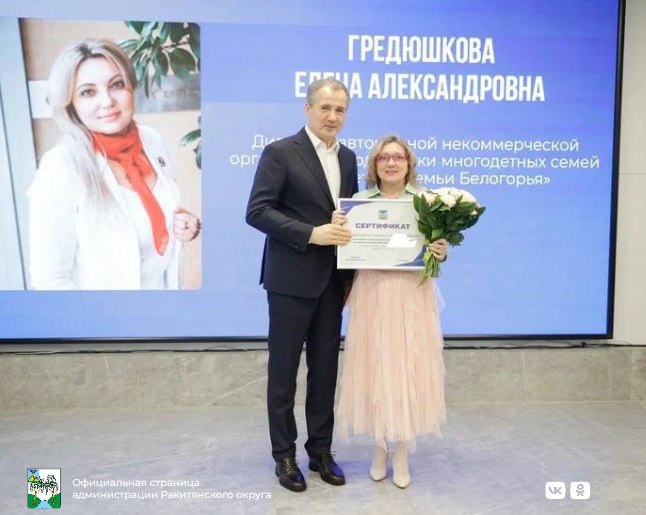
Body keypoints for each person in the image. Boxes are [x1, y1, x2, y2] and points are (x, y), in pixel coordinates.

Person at [246, 78, 358, 492]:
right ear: (308, 108)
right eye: (325, 108)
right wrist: (312, 234)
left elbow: (348, 217)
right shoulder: (280, 152)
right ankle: (284, 455)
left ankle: (321, 452)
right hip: (290, 281)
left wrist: (352, 273)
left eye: (340, 110)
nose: (332, 116)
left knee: (325, 372)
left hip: (332, 282)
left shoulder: (348, 158)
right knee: (284, 372)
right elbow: (257, 211)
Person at [27, 39, 200, 290]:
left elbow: (149, 220)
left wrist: (182, 226)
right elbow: (50, 281)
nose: (107, 101)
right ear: (70, 103)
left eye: (116, 84)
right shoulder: (60, 166)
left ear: (131, 87)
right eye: (88, 92)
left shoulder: (151, 140)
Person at [335, 135, 448, 489]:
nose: (391, 163)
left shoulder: (427, 203)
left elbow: (438, 250)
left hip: (412, 293)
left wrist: (441, 250)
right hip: (373, 290)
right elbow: (347, 249)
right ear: (375, 165)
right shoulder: (358, 204)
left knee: (408, 368)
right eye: (384, 157)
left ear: (409, 163)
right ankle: (380, 447)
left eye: (398, 157)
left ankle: (401, 451)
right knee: (376, 368)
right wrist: (340, 228)